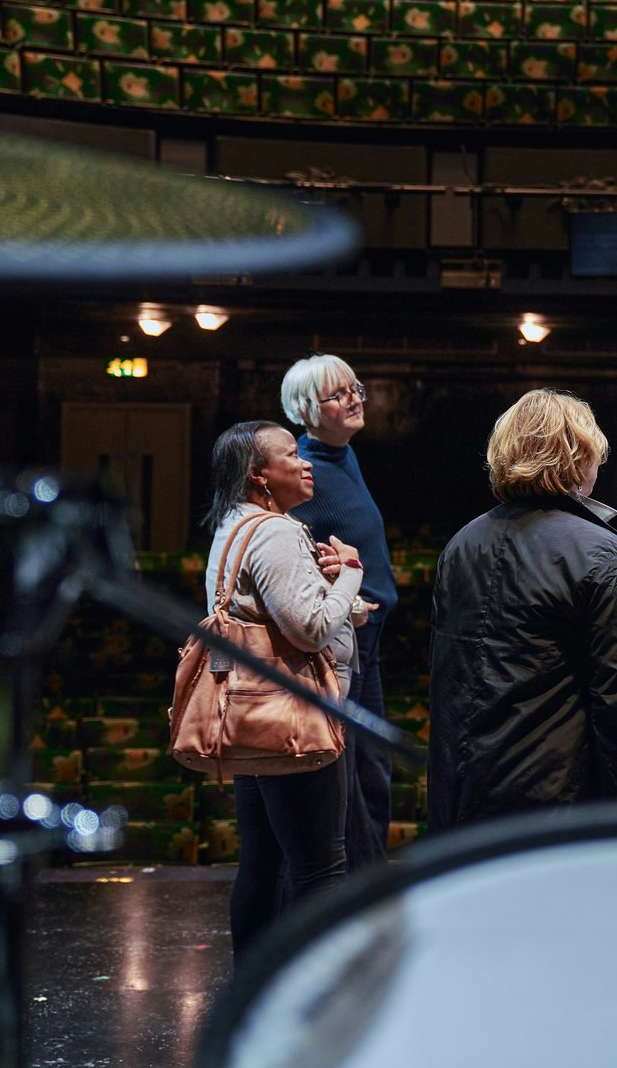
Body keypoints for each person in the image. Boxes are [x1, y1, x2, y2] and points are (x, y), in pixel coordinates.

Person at [428, 390, 617, 828]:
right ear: (577, 456)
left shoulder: (460, 544)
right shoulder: (601, 552)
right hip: (553, 801)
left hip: (461, 795)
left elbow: (448, 685)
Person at [203, 420, 370, 958]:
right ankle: (309, 1001)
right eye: (291, 455)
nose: (306, 463)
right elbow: (309, 629)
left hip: (253, 716)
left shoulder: (235, 525)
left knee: (263, 860)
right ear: (260, 475)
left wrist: (344, 605)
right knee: (321, 867)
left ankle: (253, 991)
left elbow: (275, 612)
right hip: (294, 720)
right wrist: (348, 572)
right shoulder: (277, 531)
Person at [282, 354, 400, 869]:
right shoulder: (304, 469)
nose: (355, 398)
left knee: (372, 765)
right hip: (341, 636)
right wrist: (347, 601)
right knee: (348, 767)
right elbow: (293, 552)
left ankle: (370, 876)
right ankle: (359, 884)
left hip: (368, 635)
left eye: (356, 387)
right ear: (307, 411)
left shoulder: (342, 456)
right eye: (338, 394)